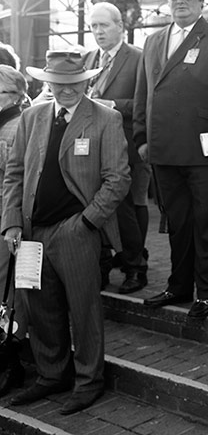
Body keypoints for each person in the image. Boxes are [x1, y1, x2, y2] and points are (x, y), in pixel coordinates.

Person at [2, 50, 130, 414]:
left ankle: (89, 381)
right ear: (48, 83)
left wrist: (87, 222)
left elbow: (118, 178)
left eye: (73, 83)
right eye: (58, 83)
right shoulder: (32, 117)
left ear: (86, 81)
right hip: (31, 231)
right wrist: (11, 221)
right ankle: (51, 374)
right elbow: (14, 173)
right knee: (40, 308)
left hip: (76, 231)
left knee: (84, 309)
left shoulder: (106, 119)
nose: (66, 89)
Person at [133, 0, 208, 318]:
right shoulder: (152, 41)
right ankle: (179, 286)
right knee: (178, 224)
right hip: (164, 150)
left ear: (201, 1)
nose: (180, 2)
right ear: (167, 2)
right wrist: (141, 136)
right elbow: (143, 94)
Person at [84, 2, 148, 294]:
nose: (98, 31)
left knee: (124, 210)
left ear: (120, 26)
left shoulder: (138, 59)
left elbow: (148, 106)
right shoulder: (86, 60)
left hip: (124, 146)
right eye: (93, 26)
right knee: (90, 205)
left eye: (103, 25)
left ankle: (135, 267)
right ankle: (101, 265)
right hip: (88, 149)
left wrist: (114, 105)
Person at [0, 65, 29, 397]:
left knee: (7, 293)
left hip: (6, 221)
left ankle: (10, 360)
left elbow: (14, 181)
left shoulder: (14, 126)